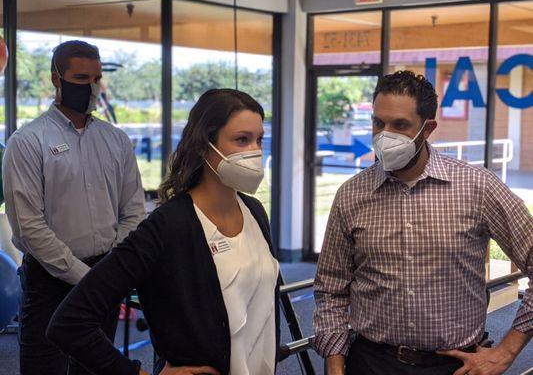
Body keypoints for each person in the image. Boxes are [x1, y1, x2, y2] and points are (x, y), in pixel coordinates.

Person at [46, 89, 280, 375]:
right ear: (204, 144)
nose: (254, 151)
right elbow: (69, 322)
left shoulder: (254, 211)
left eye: (259, 140)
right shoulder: (169, 224)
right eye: (241, 140)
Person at [313, 70, 532, 375]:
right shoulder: (351, 195)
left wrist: (506, 353)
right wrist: (335, 366)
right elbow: (331, 290)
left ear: (427, 129)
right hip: (372, 362)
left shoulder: (477, 187)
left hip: (455, 365)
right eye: (378, 122)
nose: (384, 135)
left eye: (400, 125)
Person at [2, 40, 146, 375]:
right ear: (56, 79)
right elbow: (28, 227)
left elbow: (134, 212)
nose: (92, 88)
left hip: (105, 275)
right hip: (50, 282)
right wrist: (87, 277)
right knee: (46, 368)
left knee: (98, 367)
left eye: (96, 79)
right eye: (81, 79)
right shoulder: (27, 142)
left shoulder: (116, 140)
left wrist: (111, 269)